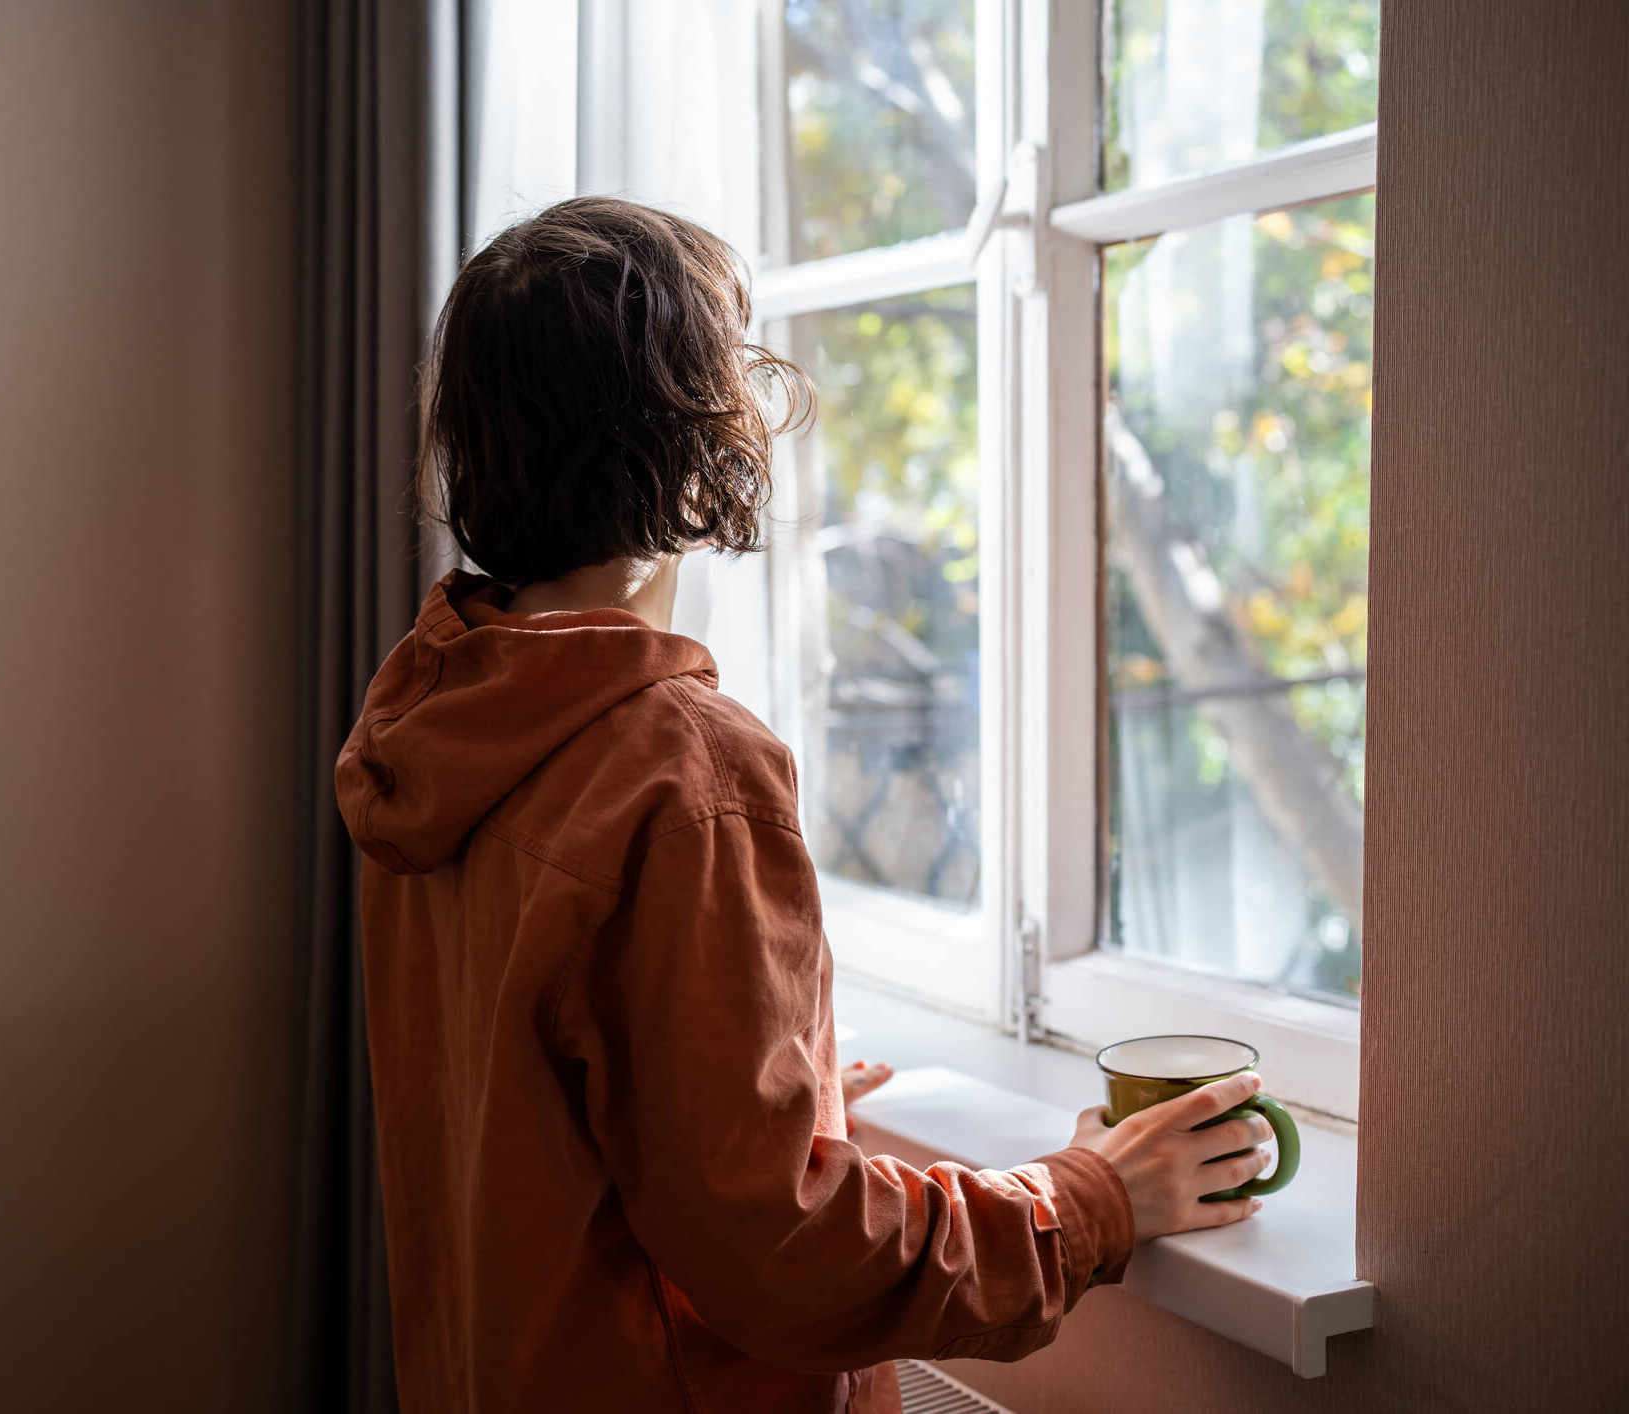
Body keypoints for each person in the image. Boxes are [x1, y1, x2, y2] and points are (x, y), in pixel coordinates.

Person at [336, 196, 1275, 1413]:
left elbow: (542, 1105)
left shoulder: (431, 718)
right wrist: (1092, 1198)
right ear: (695, 440)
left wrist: (765, 1096)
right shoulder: (682, 772)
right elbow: (787, 1258)